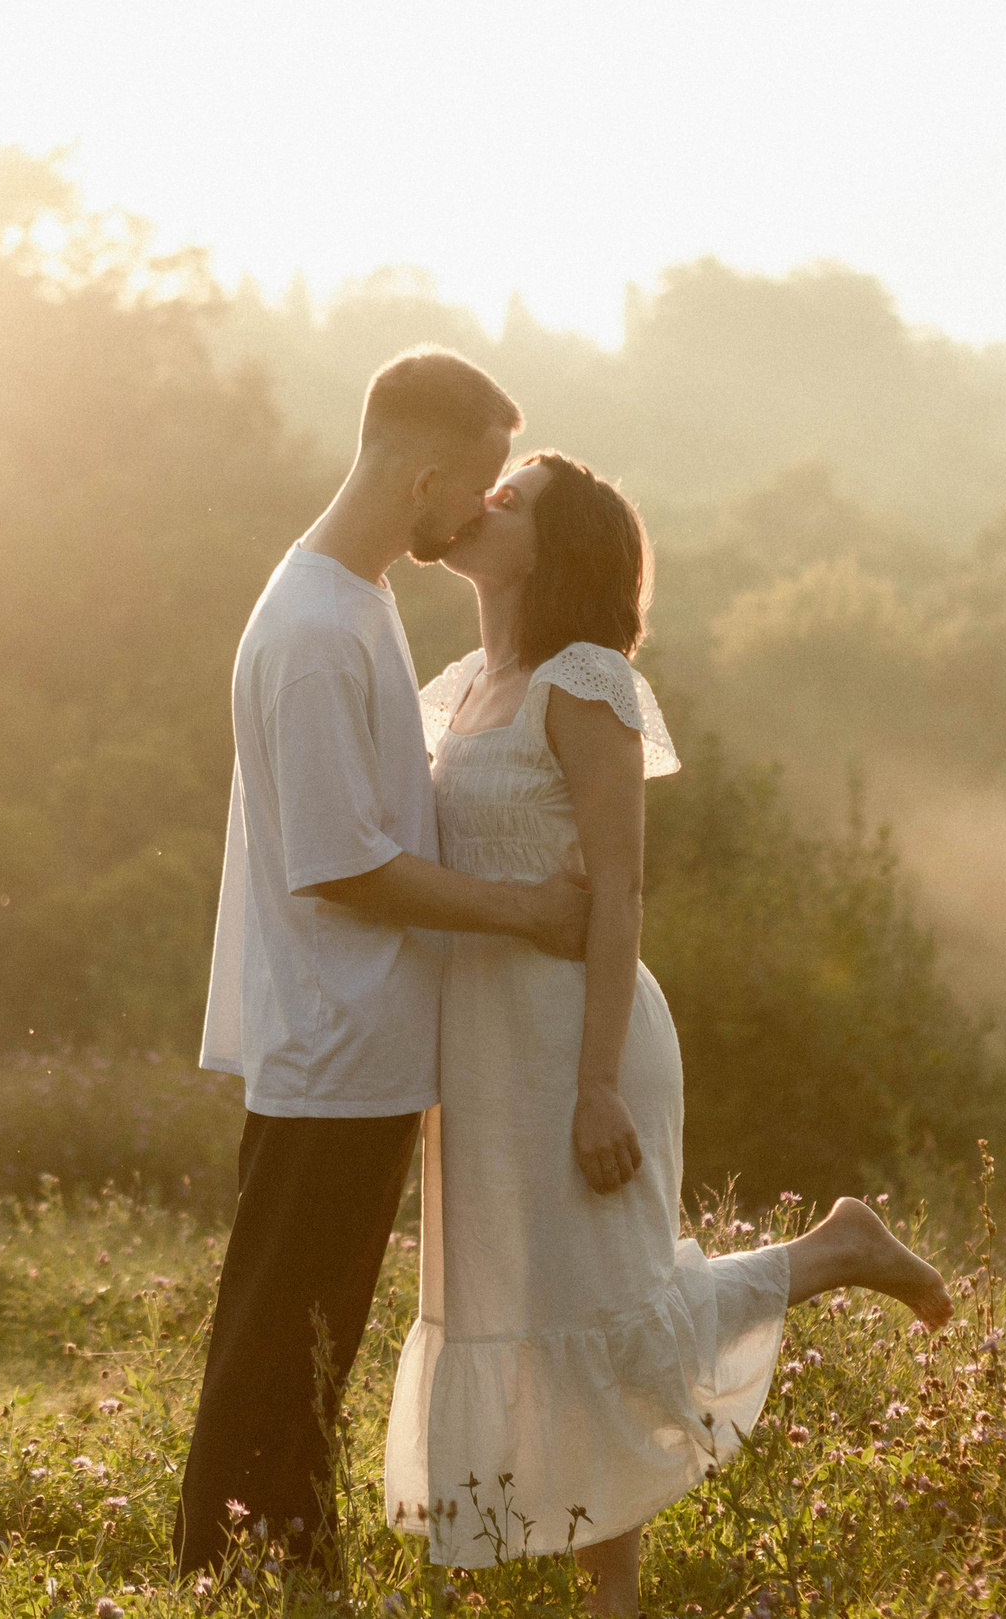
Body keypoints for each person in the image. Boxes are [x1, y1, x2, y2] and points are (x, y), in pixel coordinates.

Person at [382, 451, 953, 1616]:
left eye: (512, 498)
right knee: (515, 1307)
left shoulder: (583, 682)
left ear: (560, 548)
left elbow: (622, 891)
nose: (486, 504)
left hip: (577, 1042)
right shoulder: (459, 688)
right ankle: (567, 1590)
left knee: (615, 1314)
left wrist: (596, 1086)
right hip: (484, 1051)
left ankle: (837, 1254)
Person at [176, 348, 592, 1579]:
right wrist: (523, 911)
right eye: (471, 486)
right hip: (330, 1037)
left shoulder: (353, 601)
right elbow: (341, 865)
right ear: (421, 476)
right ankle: (231, 1567)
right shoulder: (311, 627)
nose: (476, 513)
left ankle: (291, 1557)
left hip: (365, 1037)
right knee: (278, 1335)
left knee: (310, 1333)